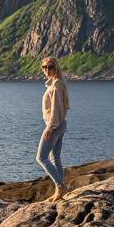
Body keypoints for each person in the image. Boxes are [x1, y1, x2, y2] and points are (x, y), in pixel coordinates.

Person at [36, 57, 70, 201]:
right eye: (44, 67)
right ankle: (59, 193)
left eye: (50, 67)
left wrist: (50, 128)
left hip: (54, 125)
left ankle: (60, 186)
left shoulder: (55, 86)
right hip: (60, 124)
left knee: (41, 157)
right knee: (54, 158)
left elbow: (56, 109)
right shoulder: (57, 84)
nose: (46, 70)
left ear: (55, 67)